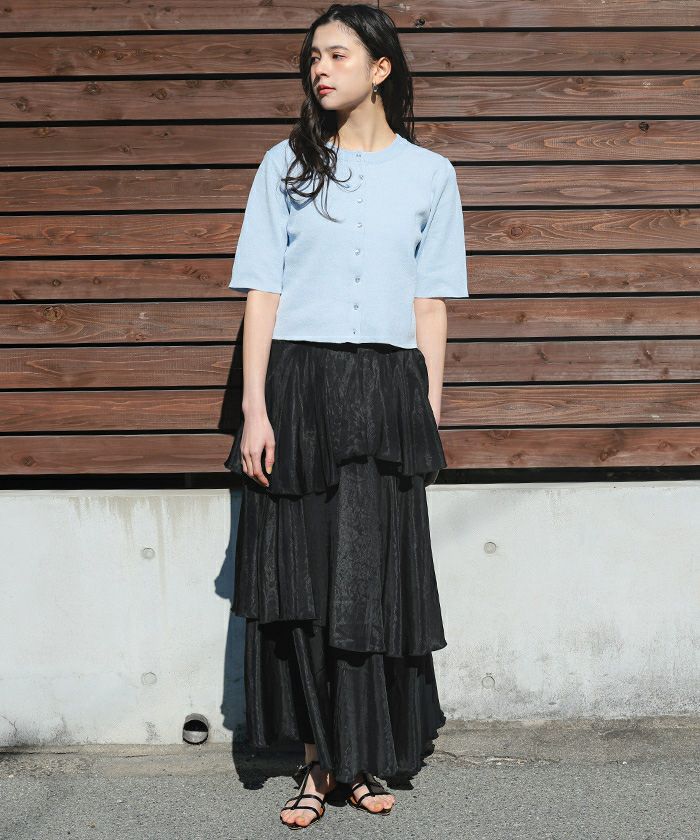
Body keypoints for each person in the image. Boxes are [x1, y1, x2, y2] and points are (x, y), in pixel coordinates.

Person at [224, 2, 468, 829]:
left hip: (388, 388)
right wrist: (254, 410)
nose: (319, 69)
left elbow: (430, 303)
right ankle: (312, 766)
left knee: (370, 578)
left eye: (336, 55)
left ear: (380, 68)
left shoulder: (430, 174)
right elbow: (263, 290)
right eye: (313, 58)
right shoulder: (285, 165)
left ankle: (361, 760)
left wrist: (424, 415)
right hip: (300, 387)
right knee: (304, 583)